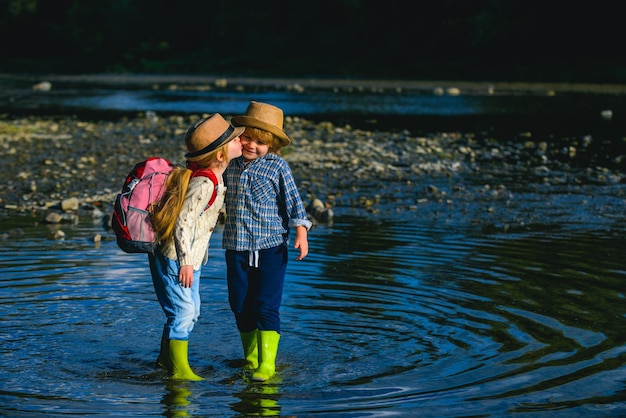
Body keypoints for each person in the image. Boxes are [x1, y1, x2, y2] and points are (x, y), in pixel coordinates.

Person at [149, 113, 243, 380]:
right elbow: (183, 222)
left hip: (192, 258)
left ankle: (165, 361)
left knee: (192, 311)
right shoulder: (204, 183)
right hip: (176, 258)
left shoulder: (215, 177)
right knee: (184, 311)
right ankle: (179, 371)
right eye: (235, 140)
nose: (241, 141)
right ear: (221, 155)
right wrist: (185, 261)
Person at [223, 101, 312, 382]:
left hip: (271, 248)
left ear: (272, 145)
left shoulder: (277, 167)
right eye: (247, 138)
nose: (252, 145)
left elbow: (294, 202)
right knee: (239, 304)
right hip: (235, 247)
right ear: (238, 138)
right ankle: (250, 358)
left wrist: (301, 231)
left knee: (265, 305)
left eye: (260, 142)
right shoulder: (229, 165)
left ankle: (268, 364)